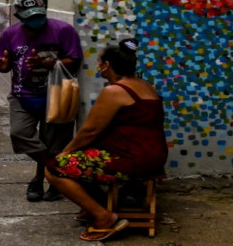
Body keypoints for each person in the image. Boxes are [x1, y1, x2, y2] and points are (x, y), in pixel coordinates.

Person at [45, 38, 168, 242]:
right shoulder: (145, 86)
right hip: (153, 155)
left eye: (99, 62)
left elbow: (90, 131)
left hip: (130, 158)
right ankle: (96, 204)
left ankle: (103, 216)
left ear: (107, 65)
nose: (97, 66)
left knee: (55, 168)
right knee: (83, 156)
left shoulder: (115, 91)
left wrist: (65, 151)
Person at [0, 0, 83, 203]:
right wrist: (3, 66)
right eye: (30, 17)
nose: (36, 21)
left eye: (39, 15)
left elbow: (75, 60)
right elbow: (3, 62)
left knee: (54, 144)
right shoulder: (10, 34)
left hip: (57, 95)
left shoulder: (63, 30)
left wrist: (48, 64)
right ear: (20, 17)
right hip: (22, 95)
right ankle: (55, 170)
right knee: (20, 134)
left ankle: (44, 180)